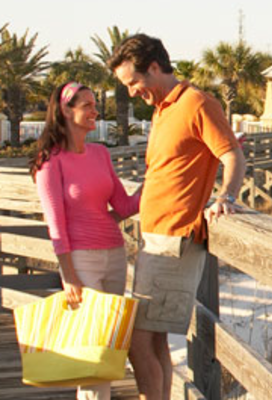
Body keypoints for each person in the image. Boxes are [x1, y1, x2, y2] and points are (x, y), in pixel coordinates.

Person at [108, 34, 245, 400]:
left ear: (154, 67)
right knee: (152, 342)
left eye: (134, 83)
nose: (133, 92)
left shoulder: (196, 102)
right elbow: (162, 173)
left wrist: (225, 197)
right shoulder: (164, 109)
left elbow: (232, 155)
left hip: (175, 241)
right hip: (154, 239)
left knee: (138, 342)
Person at [30, 81, 141, 400]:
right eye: (88, 105)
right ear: (66, 110)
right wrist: (68, 275)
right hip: (81, 260)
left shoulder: (100, 153)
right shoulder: (50, 161)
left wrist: (158, 180)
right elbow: (56, 225)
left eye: (96, 104)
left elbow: (124, 206)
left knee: (107, 347)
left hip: (116, 256)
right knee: (92, 350)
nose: (96, 111)